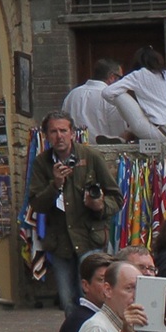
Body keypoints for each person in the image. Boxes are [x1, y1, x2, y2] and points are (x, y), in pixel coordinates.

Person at [26, 115, 125, 317]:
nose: (59, 136)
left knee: (93, 297)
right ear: (46, 136)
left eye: (63, 131)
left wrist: (99, 206)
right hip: (60, 242)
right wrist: (55, 185)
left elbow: (117, 198)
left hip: (90, 238)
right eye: (53, 132)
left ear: (72, 133)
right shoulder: (41, 163)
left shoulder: (90, 157)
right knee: (68, 300)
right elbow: (36, 205)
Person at [63, 59, 127, 140]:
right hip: (104, 150)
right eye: (120, 78)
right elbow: (118, 135)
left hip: (75, 148)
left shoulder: (72, 94)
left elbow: (63, 124)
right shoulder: (112, 98)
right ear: (112, 77)